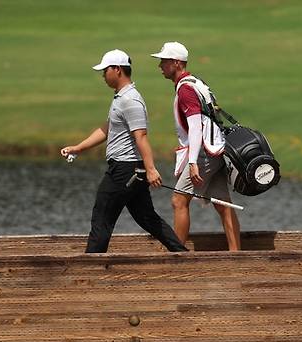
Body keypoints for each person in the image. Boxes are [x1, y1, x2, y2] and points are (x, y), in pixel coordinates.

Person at [61, 49, 187, 253]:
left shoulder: (130, 101)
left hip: (124, 170)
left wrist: (151, 169)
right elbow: (107, 129)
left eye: (105, 70)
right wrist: (78, 148)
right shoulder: (121, 98)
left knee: (102, 216)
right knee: (147, 218)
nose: (103, 75)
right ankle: (182, 255)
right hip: (130, 170)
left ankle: (90, 267)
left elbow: (141, 137)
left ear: (117, 70)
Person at [151, 42, 241, 251]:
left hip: (203, 153)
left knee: (178, 200)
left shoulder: (185, 90)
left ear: (176, 63)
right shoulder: (196, 82)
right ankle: (236, 254)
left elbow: (194, 126)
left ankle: (178, 255)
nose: (160, 66)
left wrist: (192, 162)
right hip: (217, 149)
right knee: (223, 203)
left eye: (164, 61)